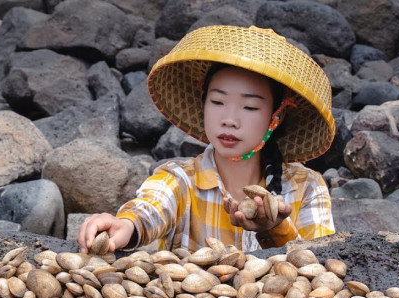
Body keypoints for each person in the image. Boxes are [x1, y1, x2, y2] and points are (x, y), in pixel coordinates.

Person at [78, 25, 336, 254]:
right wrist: (125, 225)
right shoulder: (179, 179)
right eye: (217, 102)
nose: (229, 120)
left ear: (276, 116)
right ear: (203, 104)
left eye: (250, 107)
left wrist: (276, 230)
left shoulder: (307, 187)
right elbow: (150, 209)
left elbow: (322, 265)